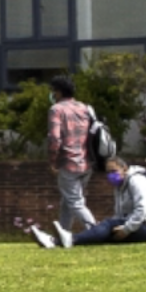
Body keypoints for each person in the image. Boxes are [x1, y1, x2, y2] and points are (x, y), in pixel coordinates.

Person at [36, 156, 146, 248]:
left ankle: (70, 239)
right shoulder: (120, 187)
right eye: (108, 172)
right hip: (139, 225)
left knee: (108, 225)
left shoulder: (136, 181)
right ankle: (53, 241)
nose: (110, 175)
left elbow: (142, 208)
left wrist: (127, 229)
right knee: (103, 231)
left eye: (114, 171)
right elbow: (120, 214)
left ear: (124, 169)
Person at [46, 74, 100, 232]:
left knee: (75, 202)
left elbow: (55, 139)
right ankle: (64, 233)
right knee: (68, 201)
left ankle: (96, 231)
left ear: (59, 92)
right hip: (87, 162)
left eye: (53, 91)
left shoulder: (56, 109)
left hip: (68, 163)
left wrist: (53, 161)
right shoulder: (85, 108)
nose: (52, 94)